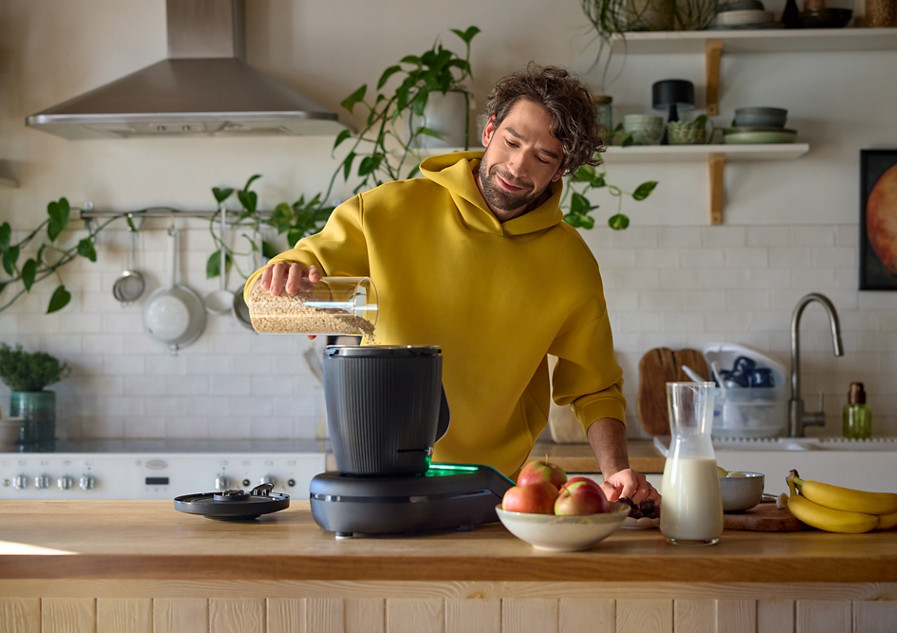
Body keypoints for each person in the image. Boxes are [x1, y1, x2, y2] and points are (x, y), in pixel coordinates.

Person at [245, 63, 659, 505]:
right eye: (512, 142)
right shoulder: (384, 211)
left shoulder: (570, 263)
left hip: (495, 487)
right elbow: (273, 291)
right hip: (381, 472)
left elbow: (594, 386)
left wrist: (616, 471)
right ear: (489, 131)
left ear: (560, 171)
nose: (517, 166)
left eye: (543, 157)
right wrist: (287, 275)